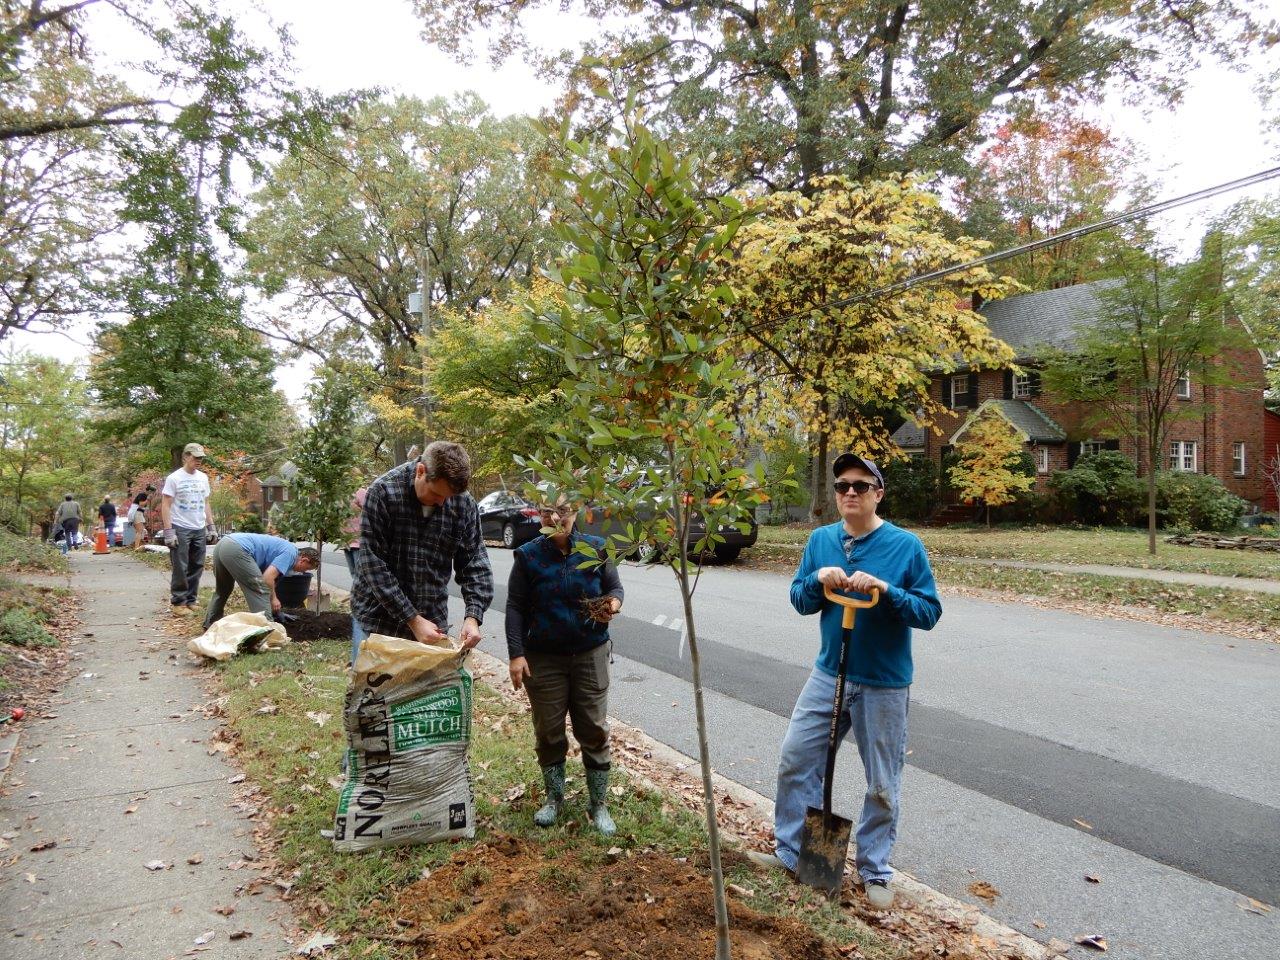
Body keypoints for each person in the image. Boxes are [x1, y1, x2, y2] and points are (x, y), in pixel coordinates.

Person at [747, 453, 941, 910]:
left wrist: (887, 591)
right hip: (828, 674)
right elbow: (800, 599)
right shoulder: (819, 541)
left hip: (884, 683)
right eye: (841, 486)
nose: (849, 492)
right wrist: (817, 578)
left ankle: (875, 869)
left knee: (881, 782)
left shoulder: (905, 546)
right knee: (797, 759)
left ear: (878, 492)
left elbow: (929, 612)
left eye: (860, 485)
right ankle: (793, 852)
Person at [505, 489, 623, 834]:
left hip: (590, 654)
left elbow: (615, 589)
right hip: (543, 659)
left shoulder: (597, 548)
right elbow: (514, 606)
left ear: (577, 512)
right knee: (549, 731)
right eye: (546, 513)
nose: (555, 519)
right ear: (537, 515)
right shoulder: (528, 556)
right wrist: (516, 654)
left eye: (563, 511)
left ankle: (598, 804)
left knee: (594, 729)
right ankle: (554, 798)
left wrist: (612, 606)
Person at [351, 441, 492, 652]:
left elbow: (475, 563)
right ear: (420, 471)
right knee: (377, 685)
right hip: (378, 621)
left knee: (426, 686)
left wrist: (473, 616)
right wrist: (413, 619)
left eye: (449, 497)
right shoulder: (383, 493)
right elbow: (373, 565)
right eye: (437, 494)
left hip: (432, 620)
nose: (443, 503)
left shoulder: (463, 503)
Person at [202, 533, 320, 630]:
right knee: (260, 589)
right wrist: (274, 599)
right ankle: (266, 630)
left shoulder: (285, 549)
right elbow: (267, 578)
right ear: (304, 560)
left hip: (223, 544)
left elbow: (271, 580)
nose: (303, 572)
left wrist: (277, 612)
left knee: (223, 589)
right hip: (237, 549)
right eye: (307, 569)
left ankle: (210, 624)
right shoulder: (290, 554)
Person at [161, 443, 216, 615]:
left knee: (197, 565)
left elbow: (206, 503)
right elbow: (166, 504)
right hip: (180, 527)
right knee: (180, 566)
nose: (198, 460)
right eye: (195, 457)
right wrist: (169, 531)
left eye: (200, 458)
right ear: (185, 457)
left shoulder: (203, 478)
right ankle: (179, 603)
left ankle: (191, 600)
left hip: (199, 527)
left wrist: (211, 526)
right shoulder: (174, 478)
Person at [342, 486, 369, 663]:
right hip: (347, 542)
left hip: (359, 542)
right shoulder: (340, 495)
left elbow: (372, 510)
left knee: (362, 583)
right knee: (355, 578)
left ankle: (361, 659)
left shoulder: (360, 492)